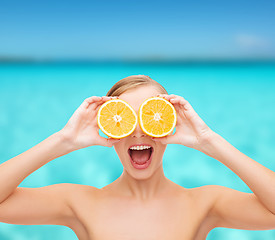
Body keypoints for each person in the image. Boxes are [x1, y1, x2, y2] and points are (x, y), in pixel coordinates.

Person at [0, 75, 274, 240]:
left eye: (151, 117)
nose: (139, 132)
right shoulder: (80, 203)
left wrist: (208, 140)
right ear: (109, 128)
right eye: (125, 119)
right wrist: (63, 140)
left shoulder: (204, 203)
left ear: (170, 124)